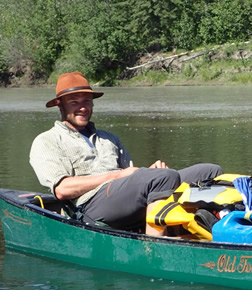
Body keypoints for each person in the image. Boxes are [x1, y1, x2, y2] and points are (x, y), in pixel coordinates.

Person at [30, 71, 223, 235]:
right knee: (163, 178)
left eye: (87, 101)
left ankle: (215, 232)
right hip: (89, 207)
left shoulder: (109, 138)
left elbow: (132, 179)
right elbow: (62, 190)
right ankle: (154, 248)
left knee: (209, 172)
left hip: (120, 198)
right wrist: (120, 175)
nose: (83, 107)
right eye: (74, 102)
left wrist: (150, 172)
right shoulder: (47, 140)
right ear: (59, 105)